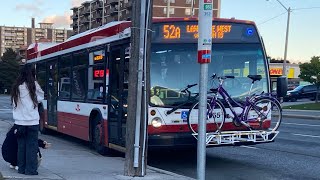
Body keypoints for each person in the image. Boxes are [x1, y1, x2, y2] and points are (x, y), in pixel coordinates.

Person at [11, 65, 44, 175]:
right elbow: (40, 98)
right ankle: (31, 170)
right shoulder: (34, 85)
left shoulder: (16, 86)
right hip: (32, 121)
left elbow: (14, 104)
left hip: (19, 122)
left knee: (21, 146)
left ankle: (21, 168)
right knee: (32, 146)